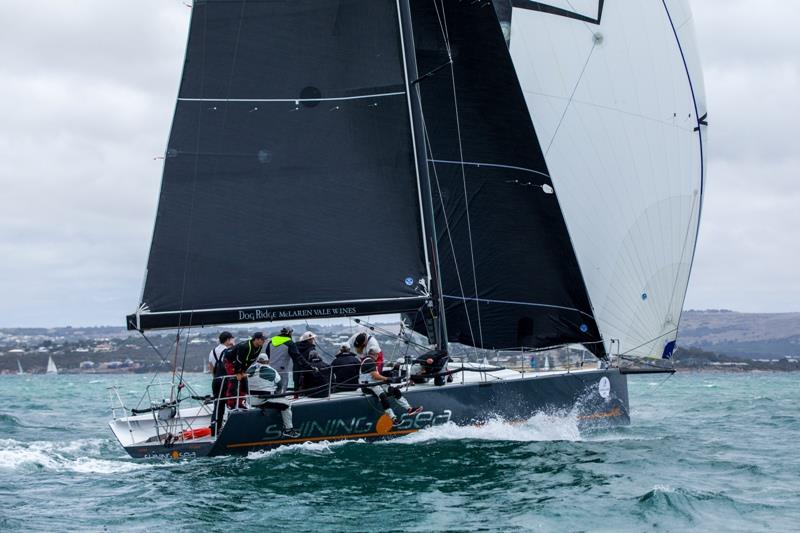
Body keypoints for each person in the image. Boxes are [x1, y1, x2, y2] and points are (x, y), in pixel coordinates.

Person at [246, 353, 300, 438]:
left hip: (249, 400)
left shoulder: (249, 370)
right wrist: (278, 395)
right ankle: (288, 430)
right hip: (264, 401)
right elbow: (280, 386)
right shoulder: (272, 371)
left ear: (257, 361)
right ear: (267, 361)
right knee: (286, 404)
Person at [359, 352, 422, 424]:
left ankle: (409, 409)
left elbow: (373, 377)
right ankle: (393, 419)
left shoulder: (368, 360)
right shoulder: (369, 361)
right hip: (367, 386)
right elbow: (375, 376)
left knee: (395, 390)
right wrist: (387, 378)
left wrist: (387, 380)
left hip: (374, 383)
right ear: (376, 355)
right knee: (383, 396)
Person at [223, 332, 266, 409]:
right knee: (234, 381)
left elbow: (250, 361)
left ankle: (240, 403)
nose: (264, 341)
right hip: (231, 361)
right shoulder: (244, 346)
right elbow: (238, 360)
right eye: (262, 339)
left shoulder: (259, 347)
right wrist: (238, 373)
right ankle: (231, 403)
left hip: (240, 363)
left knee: (243, 382)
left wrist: (243, 372)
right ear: (256, 339)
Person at [208, 331, 234, 436]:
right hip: (225, 380)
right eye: (231, 339)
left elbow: (211, 367)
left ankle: (215, 428)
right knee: (231, 403)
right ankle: (230, 427)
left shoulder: (212, 351)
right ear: (227, 340)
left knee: (218, 405)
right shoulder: (228, 350)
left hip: (215, 380)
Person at [266, 327, 300, 394]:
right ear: (289, 333)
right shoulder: (289, 343)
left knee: (272, 388)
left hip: (270, 369)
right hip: (282, 370)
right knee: (282, 388)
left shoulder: (271, 341)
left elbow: (267, 355)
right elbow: (297, 357)